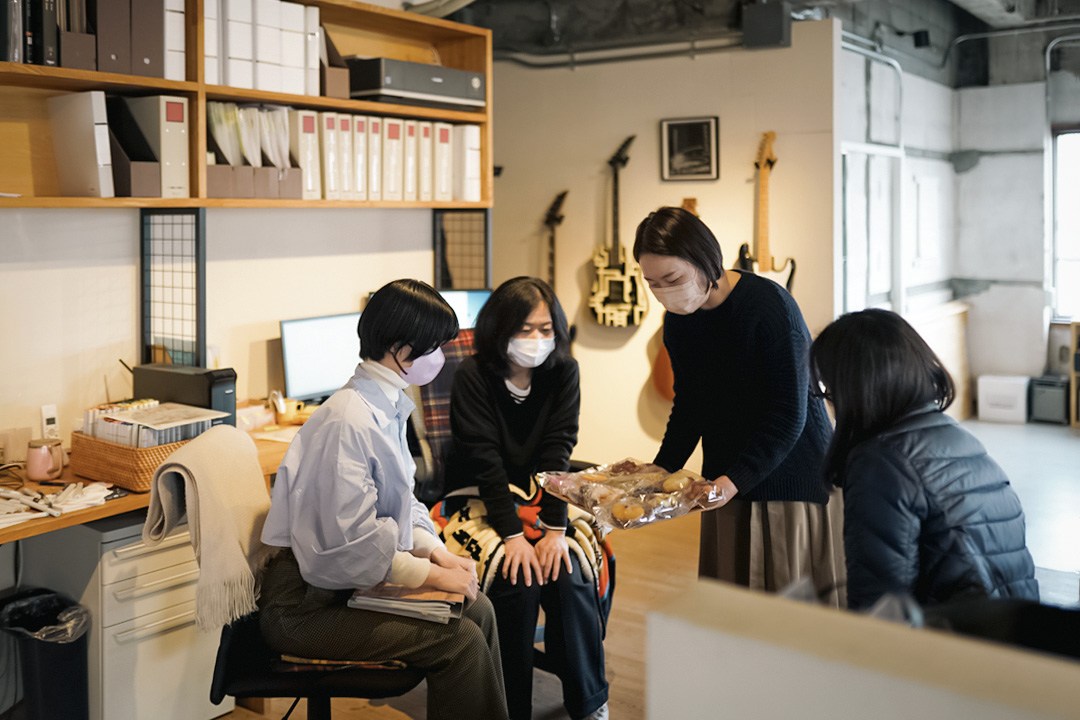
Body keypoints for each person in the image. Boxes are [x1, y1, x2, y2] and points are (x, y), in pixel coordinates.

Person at [259, 279, 509, 720]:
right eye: (434, 347)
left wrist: (437, 554)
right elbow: (349, 546)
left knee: (479, 607)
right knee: (461, 641)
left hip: (343, 583)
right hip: (304, 607)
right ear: (399, 350)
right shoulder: (347, 422)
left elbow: (404, 502)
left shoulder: (385, 405)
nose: (442, 358)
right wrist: (428, 575)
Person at [633, 206, 844, 605]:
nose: (664, 292)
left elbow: (789, 413)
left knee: (784, 608)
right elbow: (690, 402)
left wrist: (733, 481)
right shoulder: (679, 320)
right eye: (653, 283)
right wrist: (661, 470)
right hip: (727, 476)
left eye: (672, 279)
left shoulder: (769, 307)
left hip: (788, 473)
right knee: (732, 602)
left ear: (704, 260)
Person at [433, 277, 611, 720]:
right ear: (500, 328)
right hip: (477, 497)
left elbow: (559, 452)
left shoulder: (564, 372)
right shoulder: (473, 375)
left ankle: (589, 703)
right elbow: (484, 461)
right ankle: (511, 709)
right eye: (525, 329)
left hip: (541, 494)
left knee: (567, 569)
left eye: (546, 329)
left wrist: (554, 530)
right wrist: (513, 536)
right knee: (520, 577)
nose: (537, 340)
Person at [809, 308, 1039, 610]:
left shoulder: (880, 464)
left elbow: (882, 608)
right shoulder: (957, 437)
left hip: (957, 643)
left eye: (828, 388)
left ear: (853, 389)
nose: (829, 401)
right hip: (1014, 634)